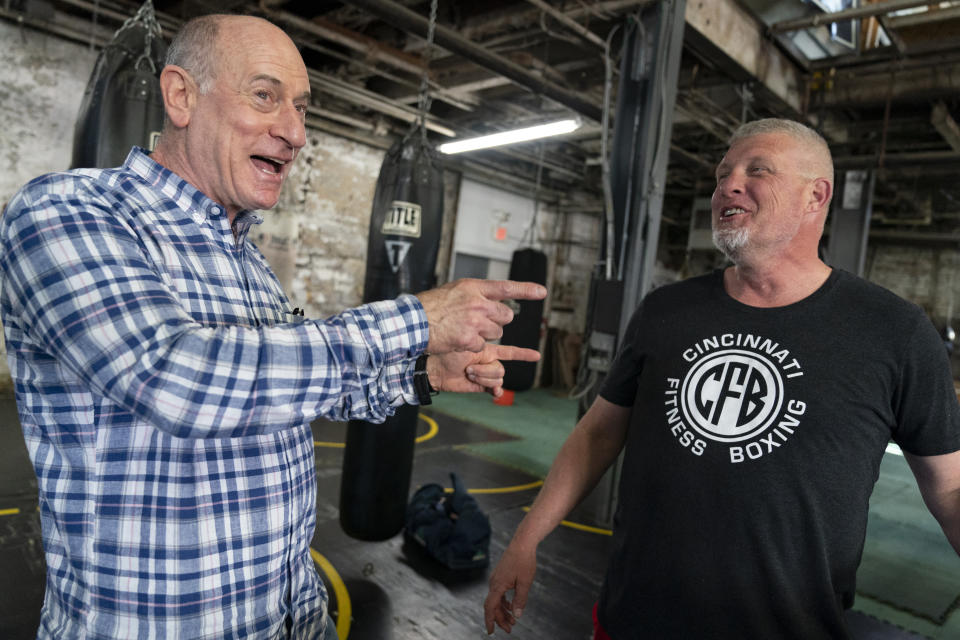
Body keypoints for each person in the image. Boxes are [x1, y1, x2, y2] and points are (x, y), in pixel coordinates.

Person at [0, 14, 546, 640]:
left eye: (302, 108)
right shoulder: (66, 212)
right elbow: (178, 379)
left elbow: (292, 386)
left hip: (291, 617)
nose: (294, 131)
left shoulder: (246, 257)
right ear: (181, 96)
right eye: (265, 96)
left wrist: (420, 370)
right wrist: (415, 317)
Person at [484, 118, 960, 639]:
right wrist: (526, 537)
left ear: (815, 196)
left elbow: (951, 488)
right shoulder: (665, 311)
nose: (728, 185)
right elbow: (598, 432)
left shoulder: (894, 331)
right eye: (722, 174)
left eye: (757, 170)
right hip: (632, 622)